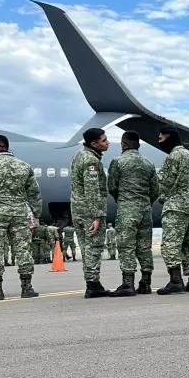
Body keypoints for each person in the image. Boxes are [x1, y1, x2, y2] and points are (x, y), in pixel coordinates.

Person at [0, 135, 42, 300]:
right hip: (19, 212)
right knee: (23, 249)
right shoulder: (24, 166)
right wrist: (36, 213)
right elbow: (34, 193)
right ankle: (27, 287)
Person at [107, 131, 159, 296]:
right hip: (145, 209)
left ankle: (128, 284)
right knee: (144, 247)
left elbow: (112, 187)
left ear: (123, 144)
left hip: (127, 209)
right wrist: (145, 201)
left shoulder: (118, 162)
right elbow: (155, 190)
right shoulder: (148, 163)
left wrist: (122, 199)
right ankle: (146, 283)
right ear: (138, 145)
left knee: (126, 246)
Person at [156, 126, 189, 294]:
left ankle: (176, 281)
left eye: (161, 139)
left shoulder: (173, 157)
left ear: (170, 138)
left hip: (175, 207)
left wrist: (162, 170)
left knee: (170, 246)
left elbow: (165, 182)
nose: (159, 142)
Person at [70, 128, 111, 298]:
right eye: (104, 140)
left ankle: (93, 282)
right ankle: (93, 285)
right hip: (89, 211)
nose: (107, 142)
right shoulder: (91, 161)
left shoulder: (79, 156)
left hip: (77, 210)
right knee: (93, 248)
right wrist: (97, 215)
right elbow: (92, 189)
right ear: (93, 144)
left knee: (87, 249)